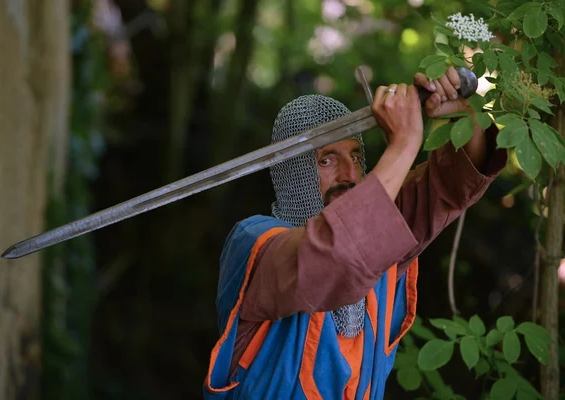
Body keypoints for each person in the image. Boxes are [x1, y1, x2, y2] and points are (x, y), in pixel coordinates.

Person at [203, 67, 507, 399]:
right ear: (292, 173)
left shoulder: (380, 235)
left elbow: (451, 184)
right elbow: (332, 258)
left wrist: (463, 116)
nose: (350, 174)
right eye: (326, 161)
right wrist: (404, 144)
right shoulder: (254, 244)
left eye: (356, 156)